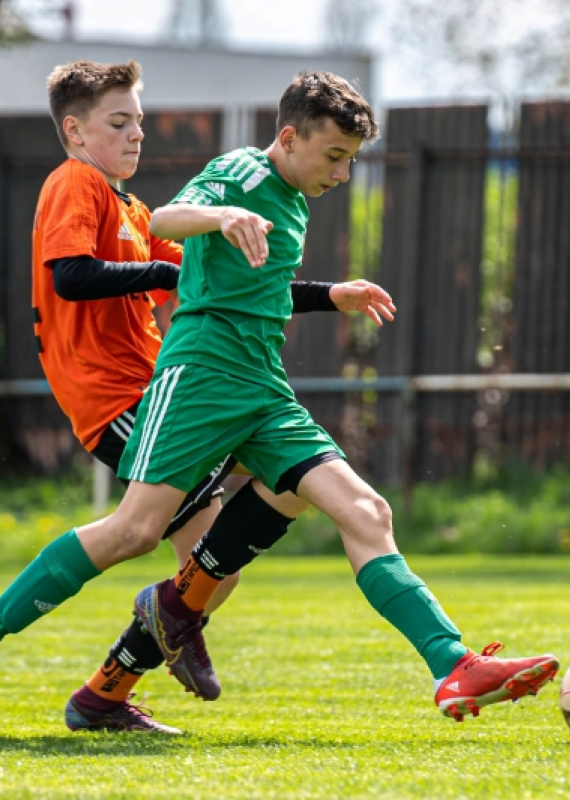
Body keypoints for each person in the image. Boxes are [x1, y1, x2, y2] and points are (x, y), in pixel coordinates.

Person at [129, 70, 560, 723]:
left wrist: (334, 294)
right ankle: (125, 662)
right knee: (124, 534)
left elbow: (267, 290)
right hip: (201, 380)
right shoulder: (245, 172)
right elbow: (163, 218)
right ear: (290, 137)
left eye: (352, 160)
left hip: (262, 391)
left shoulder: (294, 199)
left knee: (367, 512)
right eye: (335, 156)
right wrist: (220, 213)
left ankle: (453, 666)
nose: (343, 174)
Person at [19, 59, 395, 735]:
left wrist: (328, 295)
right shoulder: (75, 182)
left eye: (138, 118)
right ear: (74, 132)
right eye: (118, 121)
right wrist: (169, 263)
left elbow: (220, 290)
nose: (137, 133)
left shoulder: (134, 210)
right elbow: (72, 277)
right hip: (118, 399)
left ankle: (113, 687)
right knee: (147, 535)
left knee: (213, 569)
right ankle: (164, 629)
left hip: (157, 387)